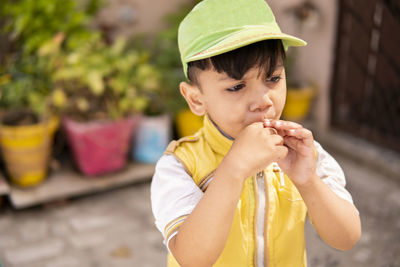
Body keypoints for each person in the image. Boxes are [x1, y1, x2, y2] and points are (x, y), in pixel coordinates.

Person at [151, 0, 361, 266]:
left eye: (273, 78)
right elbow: (191, 258)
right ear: (195, 99)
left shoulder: (303, 154)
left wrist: (308, 182)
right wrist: (233, 170)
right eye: (237, 87)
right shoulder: (180, 166)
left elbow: (347, 238)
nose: (263, 100)